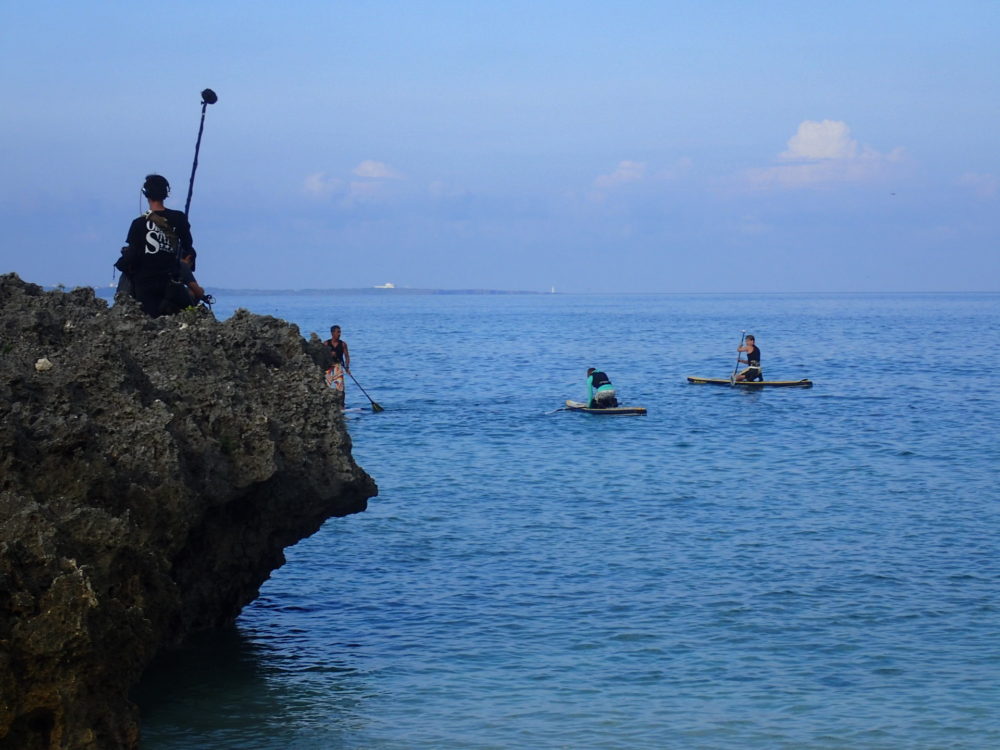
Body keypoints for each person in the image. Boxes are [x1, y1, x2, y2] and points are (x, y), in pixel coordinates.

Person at [115, 174, 194, 317]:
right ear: (166, 193)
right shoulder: (179, 218)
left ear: (146, 194)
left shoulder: (138, 224)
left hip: (145, 288)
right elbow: (188, 246)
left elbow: (131, 257)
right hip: (171, 285)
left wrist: (119, 264)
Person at [324, 325, 351, 392]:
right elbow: (322, 356)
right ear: (332, 333)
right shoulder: (326, 343)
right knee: (326, 386)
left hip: (338, 366)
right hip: (328, 367)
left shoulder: (343, 344)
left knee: (340, 389)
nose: (339, 334)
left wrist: (347, 367)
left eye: (340, 332)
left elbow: (347, 356)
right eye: (338, 332)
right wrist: (329, 354)